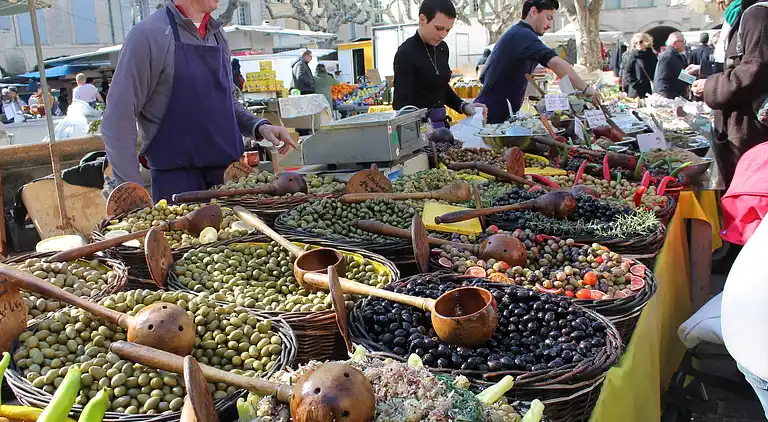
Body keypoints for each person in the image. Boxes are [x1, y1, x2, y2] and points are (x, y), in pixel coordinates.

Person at [100, 0, 297, 203]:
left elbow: (227, 102)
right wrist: (132, 195)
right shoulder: (148, 35)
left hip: (226, 179)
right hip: (177, 185)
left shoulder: (217, 34)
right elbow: (117, 120)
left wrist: (259, 127)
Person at [475, 0, 599, 124]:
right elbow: (556, 63)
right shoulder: (522, 35)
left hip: (496, 116)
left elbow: (484, 76)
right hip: (489, 118)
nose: (550, 25)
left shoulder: (518, 33)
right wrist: (586, 89)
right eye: (548, 18)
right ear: (533, 11)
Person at [690, 0, 768, 188]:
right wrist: (706, 71)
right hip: (743, 127)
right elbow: (739, 63)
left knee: (747, 198)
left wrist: (709, 86)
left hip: (750, 130)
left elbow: (752, 72)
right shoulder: (746, 13)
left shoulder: (758, 14)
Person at [392, 0, 486, 128]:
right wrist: (421, 129)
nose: (443, 35)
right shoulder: (406, 52)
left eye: (448, 30)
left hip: (442, 125)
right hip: (418, 130)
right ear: (422, 19)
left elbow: (441, 88)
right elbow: (401, 104)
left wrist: (463, 105)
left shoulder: (442, 48)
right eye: (439, 28)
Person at [653, 32, 689, 99]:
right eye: (683, 41)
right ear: (675, 43)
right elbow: (662, 79)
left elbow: (681, 75)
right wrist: (665, 98)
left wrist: (693, 80)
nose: (684, 44)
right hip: (669, 96)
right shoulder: (667, 56)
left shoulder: (677, 55)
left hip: (677, 95)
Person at [624, 33, 657, 99]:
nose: (638, 44)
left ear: (646, 42)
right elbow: (627, 73)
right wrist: (635, 83)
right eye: (636, 43)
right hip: (636, 91)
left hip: (649, 89)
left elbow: (656, 70)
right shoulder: (632, 56)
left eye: (641, 42)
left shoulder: (652, 56)